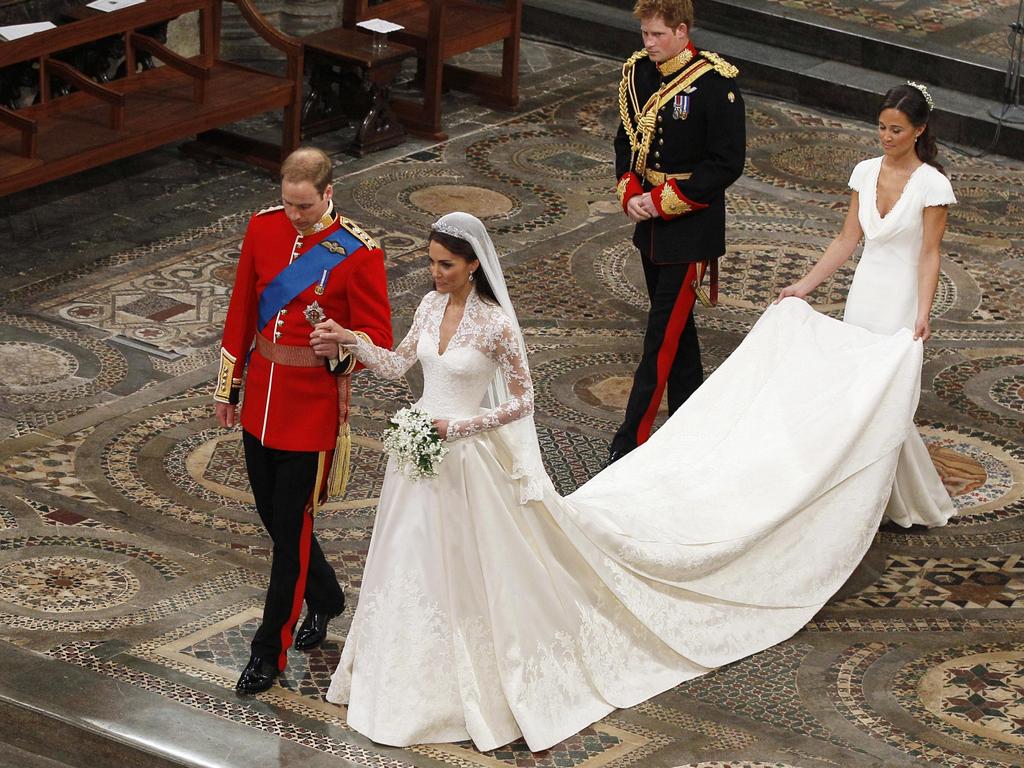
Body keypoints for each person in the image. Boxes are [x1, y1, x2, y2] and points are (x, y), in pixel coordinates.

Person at [313, 212, 924, 752]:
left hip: (467, 460)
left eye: (445, 265)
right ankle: (398, 677)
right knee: (407, 565)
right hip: (417, 461)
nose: (435, 273)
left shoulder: (496, 325)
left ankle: (473, 682)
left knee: (473, 570)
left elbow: (521, 403)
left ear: (474, 265)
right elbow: (399, 367)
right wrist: (353, 342)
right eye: (431, 263)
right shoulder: (425, 307)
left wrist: (461, 425)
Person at [214, 146, 392, 695]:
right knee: (273, 517)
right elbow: (243, 306)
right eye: (287, 203)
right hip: (262, 397)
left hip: (312, 410)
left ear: (328, 193)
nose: (294, 215)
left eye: (305, 206)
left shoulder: (358, 254)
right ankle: (329, 596)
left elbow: (378, 342)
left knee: (290, 532)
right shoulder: (262, 229)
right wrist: (229, 386)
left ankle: (269, 650)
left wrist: (341, 345)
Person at [777, 81, 956, 528]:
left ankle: (875, 501)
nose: (886, 137)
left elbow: (929, 252)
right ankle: (864, 497)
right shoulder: (864, 171)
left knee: (883, 398)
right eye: (881, 127)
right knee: (859, 395)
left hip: (900, 299)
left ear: (919, 130)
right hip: (865, 294)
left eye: (896, 130)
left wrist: (923, 313)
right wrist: (805, 286)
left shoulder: (933, 185)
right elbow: (846, 239)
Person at [608, 0, 746, 464]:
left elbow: (726, 162)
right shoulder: (639, 74)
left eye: (657, 36)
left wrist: (665, 203)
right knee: (678, 335)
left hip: (690, 227)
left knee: (660, 337)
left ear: (682, 31)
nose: (648, 45)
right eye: (644, 35)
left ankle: (630, 445)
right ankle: (693, 429)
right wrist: (630, 191)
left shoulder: (715, 84)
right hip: (649, 226)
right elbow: (626, 138)